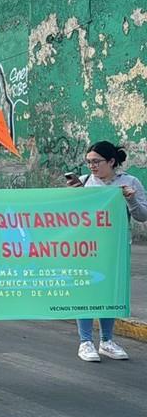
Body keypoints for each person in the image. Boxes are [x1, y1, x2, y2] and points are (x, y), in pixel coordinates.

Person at [65, 141, 147, 362]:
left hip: (114, 247)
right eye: (89, 162)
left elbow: (142, 215)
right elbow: (68, 215)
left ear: (111, 161)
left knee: (108, 292)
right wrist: (70, 196)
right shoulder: (83, 183)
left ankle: (107, 341)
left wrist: (130, 200)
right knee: (85, 291)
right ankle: (85, 342)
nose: (92, 166)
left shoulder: (129, 182)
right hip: (86, 247)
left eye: (96, 162)